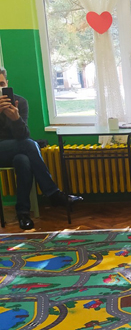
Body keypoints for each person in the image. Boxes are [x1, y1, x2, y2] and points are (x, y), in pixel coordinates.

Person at [0, 68, 82, 230]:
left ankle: (23, 213)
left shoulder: (19, 102)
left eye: (1, 84)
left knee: (23, 160)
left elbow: (23, 136)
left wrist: (16, 119)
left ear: (7, 84)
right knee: (30, 144)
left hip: (16, 149)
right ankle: (53, 193)